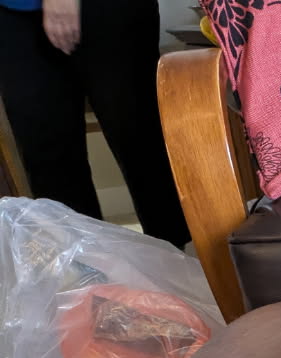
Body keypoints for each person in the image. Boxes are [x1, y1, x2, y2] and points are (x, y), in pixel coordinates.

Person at [0, 0, 190, 247]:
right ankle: (87, 271)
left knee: (139, 140)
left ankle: (178, 264)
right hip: (12, 11)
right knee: (46, 154)